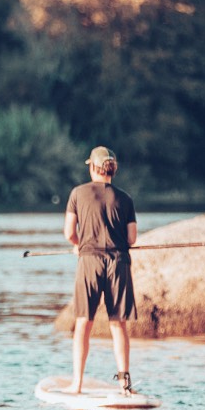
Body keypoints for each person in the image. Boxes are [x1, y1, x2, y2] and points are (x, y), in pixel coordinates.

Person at [64, 146, 137, 396]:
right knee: (118, 324)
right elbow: (132, 238)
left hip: (89, 263)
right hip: (118, 263)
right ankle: (124, 385)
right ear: (112, 170)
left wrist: (78, 246)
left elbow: (69, 233)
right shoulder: (125, 198)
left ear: (93, 167)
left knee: (83, 323)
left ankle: (77, 384)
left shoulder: (77, 193)